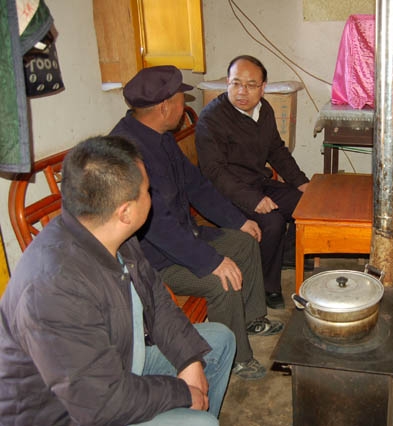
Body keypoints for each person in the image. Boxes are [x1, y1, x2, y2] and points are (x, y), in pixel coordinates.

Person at [0, 136, 236, 425]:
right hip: (72, 412)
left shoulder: (106, 231)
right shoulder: (53, 289)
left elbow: (156, 298)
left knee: (218, 342)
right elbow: (101, 403)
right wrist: (183, 393)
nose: (151, 196)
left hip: (116, 364)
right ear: (125, 212)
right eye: (147, 191)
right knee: (201, 423)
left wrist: (189, 360)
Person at [110, 65, 282, 380]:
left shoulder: (160, 137)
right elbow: (156, 226)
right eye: (180, 99)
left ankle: (251, 318)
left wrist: (238, 221)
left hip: (185, 236)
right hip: (155, 261)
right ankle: (234, 358)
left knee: (244, 241)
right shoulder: (126, 153)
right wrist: (210, 262)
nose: (183, 104)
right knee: (221, 280)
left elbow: (197, 185)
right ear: (164, 107)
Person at [195, 55, 310, 310]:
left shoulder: (264, 110)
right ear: (227, 83)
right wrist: (253, 200)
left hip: (258, 181)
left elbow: (276, 150)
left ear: (263, 87)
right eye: (235, 83)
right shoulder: (212, 118)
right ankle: (268, 286)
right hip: (226, 193)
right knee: (272, 221)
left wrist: (301, 182)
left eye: (250, 85)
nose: (241, 92)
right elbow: (214, 172)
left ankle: (284, 255)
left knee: (305, 204)